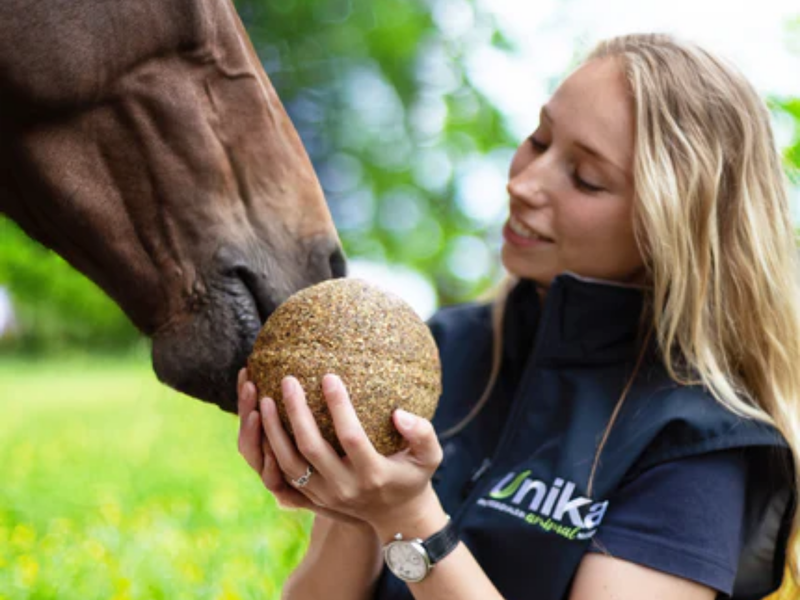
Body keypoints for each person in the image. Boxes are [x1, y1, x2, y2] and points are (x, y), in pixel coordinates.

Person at [236, 33, 800, 600]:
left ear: (670, 225)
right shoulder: (440, 353)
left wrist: (409, 518)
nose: (522, 183)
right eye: (539, 139)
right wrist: (352, 507)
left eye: (585, 178)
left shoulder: (697, 441)